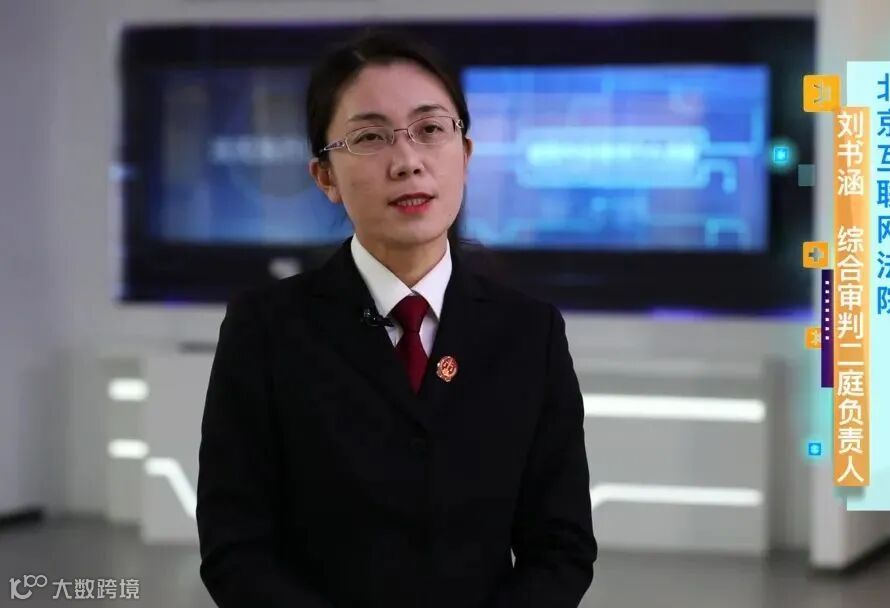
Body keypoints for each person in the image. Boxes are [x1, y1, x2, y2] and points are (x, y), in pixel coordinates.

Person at [195, 30, 598, 607]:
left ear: (465, 154)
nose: (408, 162)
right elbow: (236, 549)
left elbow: (561, 548)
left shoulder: (530, 334)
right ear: (325, 177)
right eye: (370, 137)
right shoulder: (265, 329)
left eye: (430, 130)